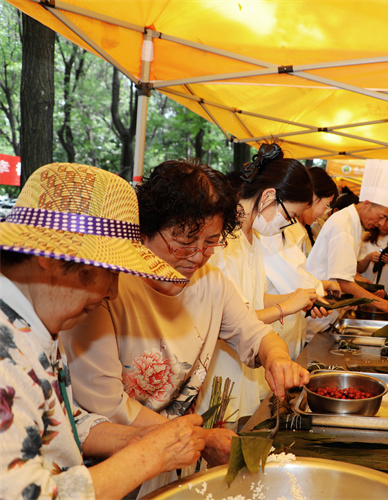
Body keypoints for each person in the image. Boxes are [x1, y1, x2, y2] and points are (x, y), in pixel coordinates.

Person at [62, 159, 310, 496]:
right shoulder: (107, 289)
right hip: (110, 465)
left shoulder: (211, 283)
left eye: (210, 242)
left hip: (177, 453)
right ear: (146, 230)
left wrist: (277, 359)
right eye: (184, 241)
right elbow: (108, 406)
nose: (197, 256)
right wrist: (201, 438)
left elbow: (256, 334)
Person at [0, 163, 206, 499]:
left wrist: (139, 439)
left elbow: (61, 421)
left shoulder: (34, 323)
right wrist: (148, 457)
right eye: (108, 272)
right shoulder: (4, 358)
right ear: (51, 258)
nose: (112, 292)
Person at [209, 145, 327, 417]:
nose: (287, 225)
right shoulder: (222, 239)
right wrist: (286, 307)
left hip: (249, 358)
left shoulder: (254, 237)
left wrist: (296, 299)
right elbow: (230, 320)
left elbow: (252, 297)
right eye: (289, 216)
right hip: (223, 361)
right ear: (269, 196)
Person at [307, 159, 388, 320]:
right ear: (366, 204)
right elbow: (343, 282)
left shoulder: (354, 223)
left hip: (328, 311)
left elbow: (348, 273)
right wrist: (386, 305)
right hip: (318, 314)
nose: (382, 224)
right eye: (381, 217)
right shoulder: (343, 226)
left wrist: (368, 286)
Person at [261, 160, 342, 358]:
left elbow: (294, 274)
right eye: (326, 205)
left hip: (288, 317)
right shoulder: (271, 227)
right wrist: (317, 291)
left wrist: (318, 288)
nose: (325, 212)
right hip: (273, 325)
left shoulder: (289, 225)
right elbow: (288, 274)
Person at [357, 207, 388, 301]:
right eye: (384, 219)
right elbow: (359, 269)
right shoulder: (365, 238)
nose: (387, 225)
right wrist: (368, 258)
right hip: (368, 291)